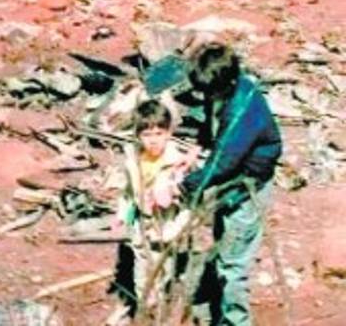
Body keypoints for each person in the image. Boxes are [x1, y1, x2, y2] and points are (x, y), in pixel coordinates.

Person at [181, 43, 283, 326]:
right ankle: (217, 299)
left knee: (233, 265)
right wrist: (199, 145)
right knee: (223, 239)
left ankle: (236, 320)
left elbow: (223, 162)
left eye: (209, 91)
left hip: (247, 187)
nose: (206, 96)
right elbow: (212, 125)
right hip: (233, 180)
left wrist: (187, 184)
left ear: (225, 83)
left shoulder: (242, 111)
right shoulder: (224, 90)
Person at [107, 99, 197, 323]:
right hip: (142, 227)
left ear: (169, 133)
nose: (153, 140)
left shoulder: (178, 162)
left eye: (159, 133)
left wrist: (174, 228)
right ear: (138, 136)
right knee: (142, 276)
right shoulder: (134, 160)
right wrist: (123, 216)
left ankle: (159, 312)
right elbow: (129, 194)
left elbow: (190, 203)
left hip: (166, 227)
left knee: (162, 274)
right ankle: (146, 311)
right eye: (147, 135)